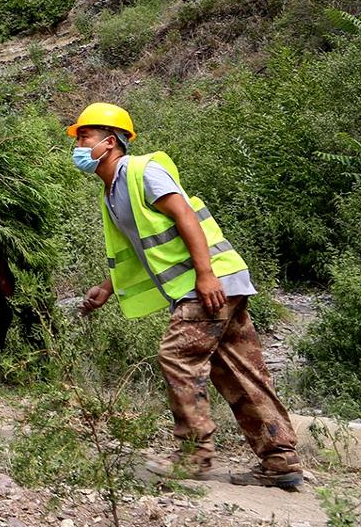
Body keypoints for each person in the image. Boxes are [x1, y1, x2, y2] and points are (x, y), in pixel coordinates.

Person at [69, 102, 303, 491]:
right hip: (214, 281)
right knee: (240, 370)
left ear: (109, 142)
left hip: (208, 283)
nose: (77, 145)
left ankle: (194, 454)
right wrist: (107, 287)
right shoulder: (111, 191)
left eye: (84, 137)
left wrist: (206, 275)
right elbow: (143, 248)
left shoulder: (143, 172)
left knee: (177, 356)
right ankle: (280, 460)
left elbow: (186, 217)